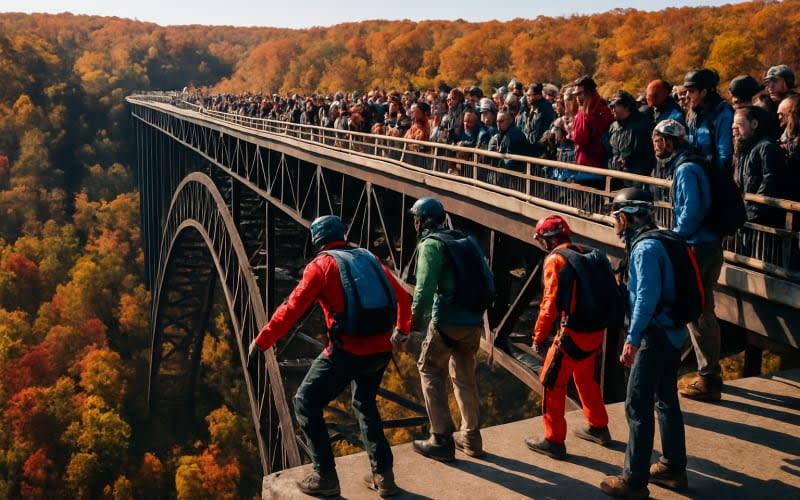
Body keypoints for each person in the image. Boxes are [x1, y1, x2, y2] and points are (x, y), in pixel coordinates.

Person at [249, 215, 412, 498]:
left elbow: (292, 309)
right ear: (341, 234)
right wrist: (401, 331)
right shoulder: (369, 257)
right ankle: (384, 477)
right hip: (382, 349)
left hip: (346, 351)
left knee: (305, 402)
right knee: (365, 405)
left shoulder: (321, 266)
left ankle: (325, 476)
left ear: (317, 240)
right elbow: (403, 297)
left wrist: (262, 341)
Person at [600, 188, 688, 499]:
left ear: (623, 218)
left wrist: (632, 339)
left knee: (637, 404)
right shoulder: (665, 238)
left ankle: (633, 480)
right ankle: (673, 467)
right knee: (665, 399)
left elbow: (645, 299)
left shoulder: (644, 250)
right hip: (674, 331)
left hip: (655, 333)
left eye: (615, 219)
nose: (614, 225)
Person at [524, 215, 612, 460]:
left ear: (547, 240)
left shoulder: (556, 259)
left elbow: (549, 304)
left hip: (571, 334)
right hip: (595, 331)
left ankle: (553, 440)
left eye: (541, 240)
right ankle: (598, 426)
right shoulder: (589, 252)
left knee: (552, 382)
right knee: (585, 378)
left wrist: (538, 337)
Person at [651, 119, 725, 401]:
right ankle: (709, 375)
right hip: (708, 243)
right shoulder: (694, 163)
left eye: (658, 141)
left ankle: (708, 378)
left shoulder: (686, 169)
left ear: (670, 141)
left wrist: (675, 237)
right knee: (702, 309)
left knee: (697, 310)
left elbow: (692, 210)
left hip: (698, 246)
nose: (655, 147)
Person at [410, 197, 485, 462]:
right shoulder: (464, 240)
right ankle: (472, 437)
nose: (414, 224)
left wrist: (413, 324)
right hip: (473, 322)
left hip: (447, 322)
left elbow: (424, 290)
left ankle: (441, 438)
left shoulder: (430, 245)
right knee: (464, 376)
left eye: (415, 219)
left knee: (429, 369)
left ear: (421, 221)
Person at [732, 105, 788, 226]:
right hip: (746, 215)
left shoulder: (767, 147)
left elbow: (771, 181)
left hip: (763, 219)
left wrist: (752, 212)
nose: (733, 127)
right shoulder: (743, 150)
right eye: (733, 124)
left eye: (739, 124)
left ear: (754, 124)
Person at [683, 68, 734, 171]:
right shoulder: (694, 114)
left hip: (717, 179)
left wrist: (698, 162)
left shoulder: (724, 115)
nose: (687, 96)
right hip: (698, 171)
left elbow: (725, 159)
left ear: (704, 92)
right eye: (686, 91)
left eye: (691, 91)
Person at [608, 90, 656, 178]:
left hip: (639, 178)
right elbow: (609, 152)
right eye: (611, 107)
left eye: (615, 106)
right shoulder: (613, 127)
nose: (612, 110)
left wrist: (628, 161)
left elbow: (650, 153)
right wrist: (613, 163)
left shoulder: (644, 124)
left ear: (626, 106)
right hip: (617, 178)